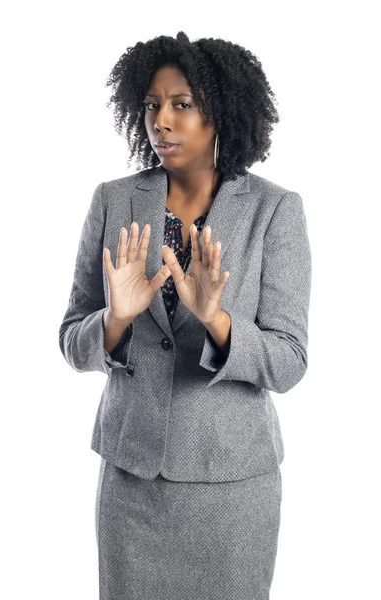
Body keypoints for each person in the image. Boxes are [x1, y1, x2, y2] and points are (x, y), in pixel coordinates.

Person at [59, 31, 312, 600]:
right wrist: (115, 321)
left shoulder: (275, 211)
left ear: (220, 111)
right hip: (131, 486)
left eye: (182, 104)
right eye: (151, 105)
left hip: (231, 490)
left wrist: (217, 320)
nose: (160, 121)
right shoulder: (112, 199)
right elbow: (71, 337)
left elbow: (290, 361)